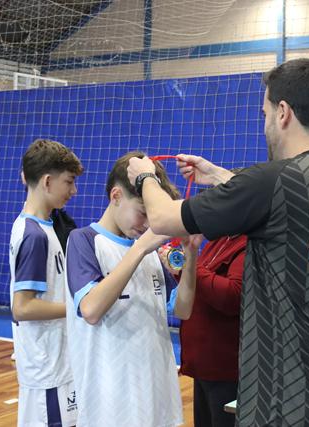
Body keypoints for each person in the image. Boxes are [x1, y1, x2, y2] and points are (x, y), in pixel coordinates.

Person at [127, 58, 309, 426]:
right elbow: (289, 204)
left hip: (287, 404)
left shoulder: (270, 180)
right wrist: (217, 175)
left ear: (283, 112)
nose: (265, 122)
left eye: (265, 113)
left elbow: (162, 219)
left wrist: (145, 177)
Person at [64, 151, 199, 427]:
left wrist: (192, 254)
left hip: (159, 400)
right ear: (116, 196)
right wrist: (140, 249)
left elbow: (183, 310)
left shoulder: (149, 250)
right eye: (143, 213)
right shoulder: (84, 240)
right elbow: (91, 309)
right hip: (110, 408)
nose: (149, 224)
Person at [9, 138, 83, 427]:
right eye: (69, 182)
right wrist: (77, 308)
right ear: (48, 181)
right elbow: (23, 308)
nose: (74, 191)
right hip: (47, 369)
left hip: (54, 363)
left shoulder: (43, 227)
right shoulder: (34, 235)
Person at [164, 229, 247, 427]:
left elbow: (232, 296)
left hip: (225, 368)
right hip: (203, 364)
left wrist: (187, 264)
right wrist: (180, 266)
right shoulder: (219, 240)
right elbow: (199, 285)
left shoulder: (248, 245)